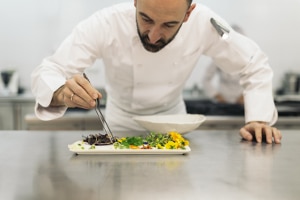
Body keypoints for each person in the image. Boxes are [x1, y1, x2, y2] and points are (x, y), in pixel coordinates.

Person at [31, 0, 282, 144]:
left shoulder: (206, 22)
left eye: (169, 24)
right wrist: (60, 91)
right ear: (135, 2)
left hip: (173, 127)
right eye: (146, 19)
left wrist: (258, 119)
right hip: (118, 127)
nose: (153, 35)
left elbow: (253, 63)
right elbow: (50, 69)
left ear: (188, 13)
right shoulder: (106, 23)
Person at [203, 25, 244, 105]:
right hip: (223, 103)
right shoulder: (218, 57)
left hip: (242, 103)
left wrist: (245, 95)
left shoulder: (247, 59)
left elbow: (255, 80)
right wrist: (216, 95)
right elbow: (206, 79)